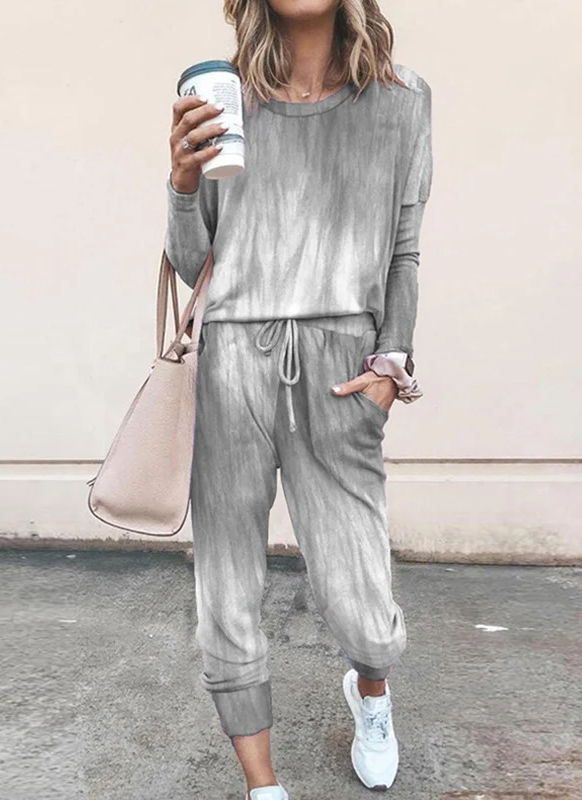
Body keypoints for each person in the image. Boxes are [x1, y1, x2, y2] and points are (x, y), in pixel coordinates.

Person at [165, 1, 432, 796]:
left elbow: (405, 249)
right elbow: (192, 264)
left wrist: (389, 367)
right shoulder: (220, 94)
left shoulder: (401, 99)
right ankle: (263, 786)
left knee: (361, 601)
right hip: (230, 365)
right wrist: (181, 182)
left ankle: (371, 691)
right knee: (226, 590)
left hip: (340, 367)